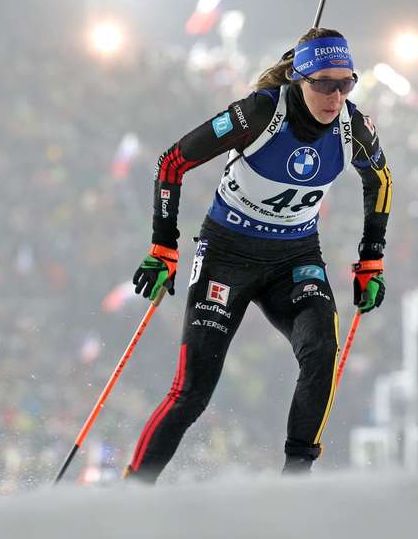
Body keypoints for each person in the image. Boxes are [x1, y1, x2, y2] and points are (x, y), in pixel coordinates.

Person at [123, 28, 392, 482]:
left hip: (294, 259)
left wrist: (371, 261)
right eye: (324, 83)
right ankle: (130, 494)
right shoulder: (259, 113)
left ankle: (294, 483)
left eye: (346, 83)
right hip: (226, 255)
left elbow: (380, 181)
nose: (336, 95)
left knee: (321, 349)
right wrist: (163, 245)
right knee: (192, 392)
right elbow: (172, 162)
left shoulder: (355, 128)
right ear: (300, 79)